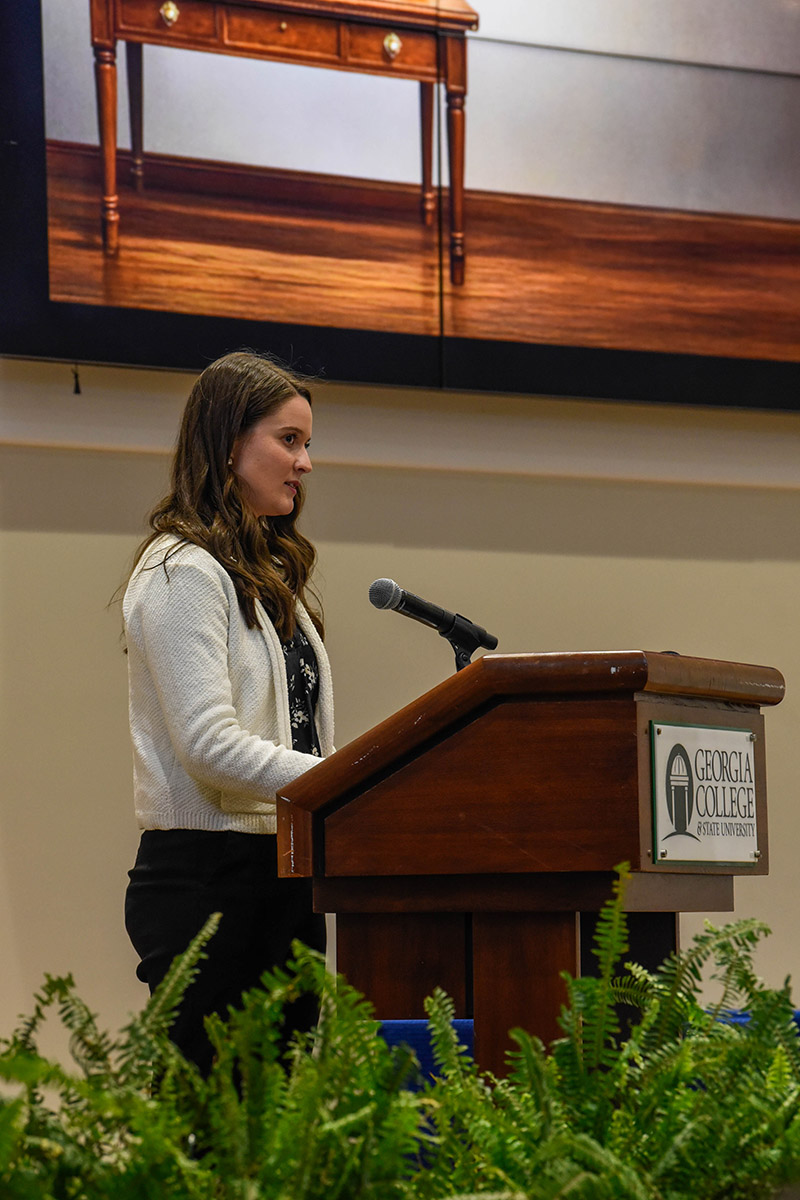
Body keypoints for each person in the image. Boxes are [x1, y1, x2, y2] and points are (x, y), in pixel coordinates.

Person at [123, 350, 333, 1073]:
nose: (306, 462)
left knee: (284, 1135)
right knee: (209, 1136)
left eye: (307, 443)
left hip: (284, 870)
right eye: (289, 440)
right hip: (206, 880)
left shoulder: (273, 574)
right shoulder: (181, 571)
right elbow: (209, 745)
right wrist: (342, 784)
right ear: (228, 443)